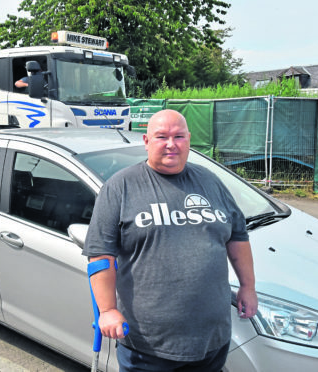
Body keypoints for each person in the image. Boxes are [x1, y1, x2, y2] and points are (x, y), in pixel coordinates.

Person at [83, 109, 258, 372]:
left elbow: (237, 235)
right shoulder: (120, 187)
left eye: (179, 136)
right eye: (161, 136)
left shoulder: (211, 182)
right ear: (146, 141)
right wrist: (107, 309)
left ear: (188, 139)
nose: (171, 144)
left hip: (212, 341)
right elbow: (100, 255)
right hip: (148, 348)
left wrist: (248, 286)